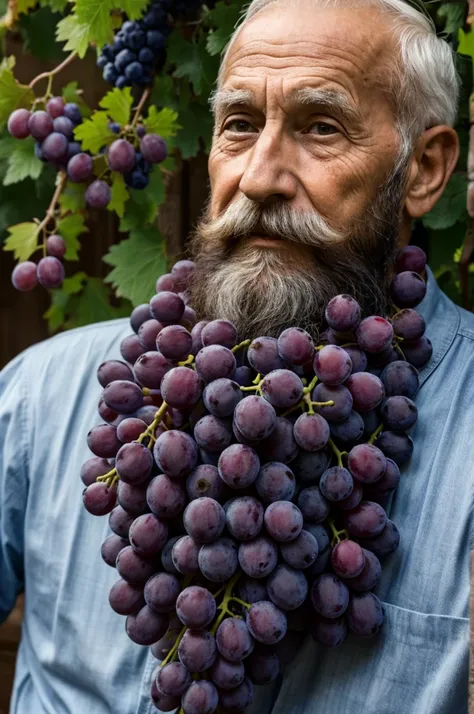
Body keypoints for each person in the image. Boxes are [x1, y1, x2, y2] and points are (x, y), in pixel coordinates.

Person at [0, 0, 469, 712]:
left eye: (321, 127)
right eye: (240, 125)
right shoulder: (45, 396)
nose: (258, 178)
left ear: (424, 170)